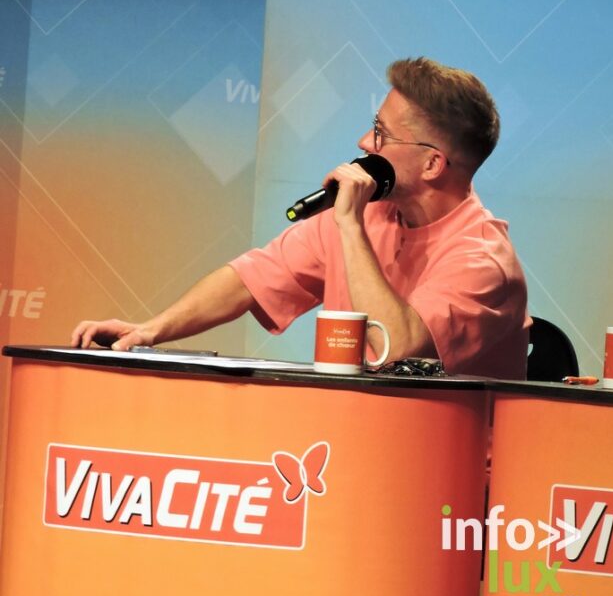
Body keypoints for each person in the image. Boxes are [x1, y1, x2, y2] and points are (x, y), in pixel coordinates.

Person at [72, 58, 530, 379]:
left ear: (432, 164)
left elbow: (396, 349)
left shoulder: (483, 261)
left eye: (381, 133)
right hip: (350, 436)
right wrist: (151, 329)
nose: (363, 142)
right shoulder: (371, 213)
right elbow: (252, 278)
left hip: (447, 469)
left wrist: (350, 226)